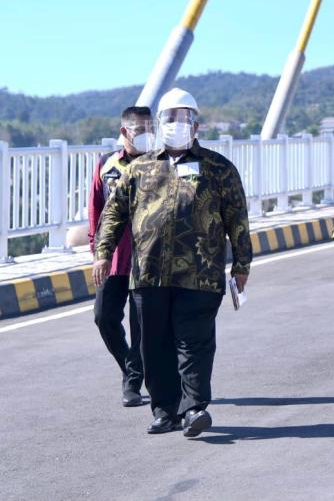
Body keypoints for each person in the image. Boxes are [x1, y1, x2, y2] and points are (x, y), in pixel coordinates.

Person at [93, 88, 252, 437]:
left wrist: (242, 265)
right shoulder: (139, 168)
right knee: (154, 345)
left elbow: (237, 218)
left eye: (184, 118)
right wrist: (103, 253)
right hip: (148, 275)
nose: (177, 124)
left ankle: (194, 407)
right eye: (170, 117)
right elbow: (113, 214)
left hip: (201, 275)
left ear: (196, 124)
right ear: (160, 122)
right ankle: (165, 410)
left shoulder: (219, 168)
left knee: (194, 342)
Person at [88, 106, 154, 407]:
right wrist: (97, 252)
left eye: (150, 129)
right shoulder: (107, 165)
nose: (146, 135)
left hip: (149, 259)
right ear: (125, 131)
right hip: (115, 258)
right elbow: (96, 213)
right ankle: (130, 366)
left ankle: (132, 381)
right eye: (140, 129)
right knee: (104, 317)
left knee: (142, 324)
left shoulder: (160, 162)